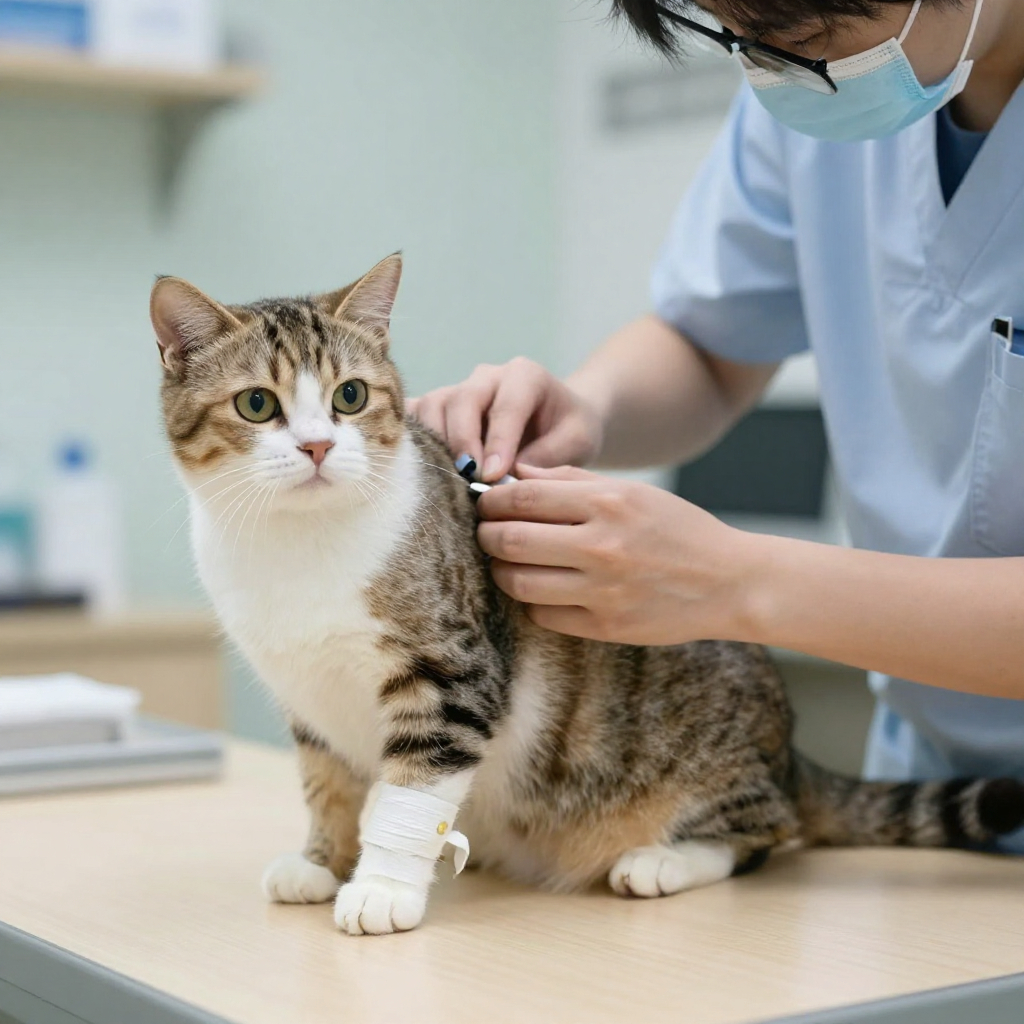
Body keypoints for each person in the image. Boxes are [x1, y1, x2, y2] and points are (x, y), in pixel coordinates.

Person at [410, 0, 1024, 849]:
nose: (766, 66)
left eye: (795, 37)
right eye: (731, 32)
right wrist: (588, 405)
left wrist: (736, 583)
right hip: (933, 778)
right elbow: (710, 346)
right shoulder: (814, 95)